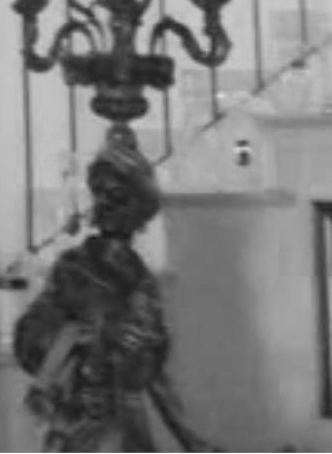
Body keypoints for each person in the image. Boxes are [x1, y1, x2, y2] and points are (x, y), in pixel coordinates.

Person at [13, 124, 213, 452]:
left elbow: (156, 372)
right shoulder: (74, 268)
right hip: (79, 417)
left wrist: (141, 348)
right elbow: (31, 339)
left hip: (127, 423)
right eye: (101, 195)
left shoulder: (141, 282)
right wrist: (90, 334)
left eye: (118, 198)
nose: (106, 206)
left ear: (139, 211)